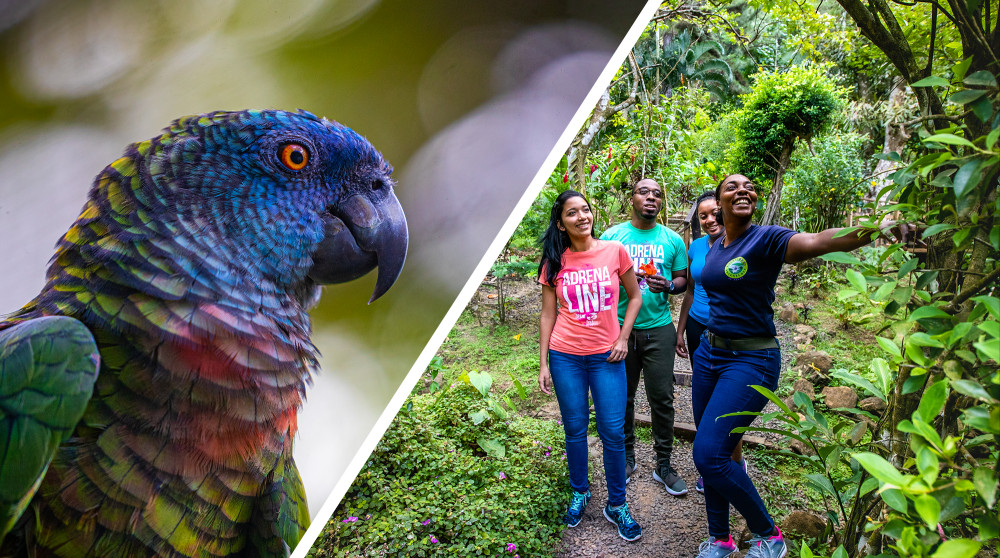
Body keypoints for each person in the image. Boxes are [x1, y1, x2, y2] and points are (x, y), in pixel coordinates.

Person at [692, 174, 893, 558]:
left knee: (710, 455)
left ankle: (771, 536)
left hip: (752, 358)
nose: (744, 190)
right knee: (715, 451)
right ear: (718, 202)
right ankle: (719, 539)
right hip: (709, 354)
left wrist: (874, 227)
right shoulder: (717, 244)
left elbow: (817, 241)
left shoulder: (765, 238)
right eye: (732, 186)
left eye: (749, 185)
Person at [538, 189, 644, 542]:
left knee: (612, 431)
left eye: (585, 210)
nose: (582, 216)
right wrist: (544, 364)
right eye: (573, 213)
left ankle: (617, 504)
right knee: (575, 428)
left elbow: (636, 296)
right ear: (561, 223)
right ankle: (579, 492)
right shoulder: (554, 261)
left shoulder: (614, 251)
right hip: (565, 355)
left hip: (607, 357)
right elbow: (547, 314)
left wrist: (622, 337)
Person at [600, 178, 689, 495]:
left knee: (662, 398)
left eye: (657, 193)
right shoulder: (612, 236)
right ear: (632, 198)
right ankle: (626, 457)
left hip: (659, 329)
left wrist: (669, 286)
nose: (651, 197)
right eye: (643, 192)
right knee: (622, 398)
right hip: (619, 328)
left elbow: (682, 280)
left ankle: (663, 464)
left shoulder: (672, 239)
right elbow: (599, 278)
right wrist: (622, 278)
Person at [675, 191, 745, 494]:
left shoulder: (743, 242)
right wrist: (681, 329)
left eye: (715, 212)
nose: (710, 219)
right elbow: (690, 290)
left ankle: (735, 461)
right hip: (698, 325)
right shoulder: (697, 247)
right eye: (703, 215)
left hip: (730, 328)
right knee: (704, 396)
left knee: (726, 400)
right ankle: (710, 463)